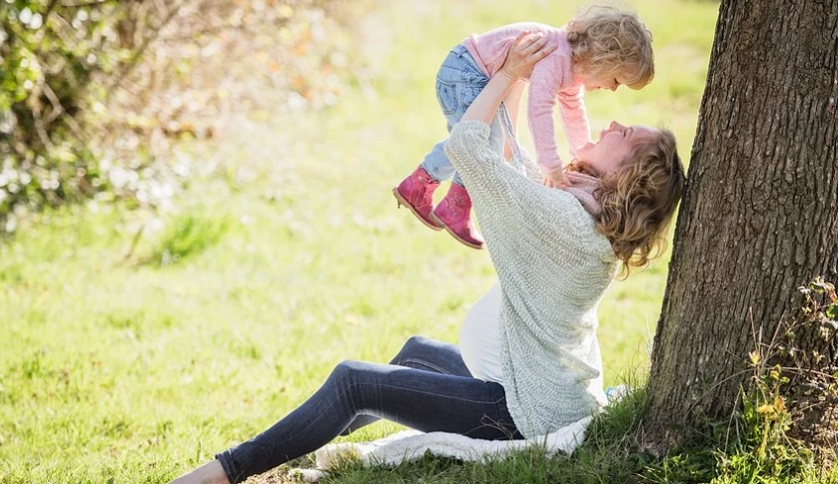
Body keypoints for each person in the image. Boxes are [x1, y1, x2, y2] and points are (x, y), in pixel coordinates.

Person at [170, 32, 684, 484]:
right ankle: (296, 446)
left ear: (628, 176)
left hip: (524, 413)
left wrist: (506, 73)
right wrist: (520, 80)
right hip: (531, 387)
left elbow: (469, 146)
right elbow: (514, 165)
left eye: (627, 136)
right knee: (414, 351)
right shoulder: (578, 211)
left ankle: (223, 473)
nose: (614, 122)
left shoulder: (564, 220)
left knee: (355, 380)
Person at [393, 6, 654, 249]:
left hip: (471, 72)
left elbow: (574, 114)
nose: (611, 88)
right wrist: (550, 165)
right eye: (616, 80)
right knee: (479, 140)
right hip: (465, 72)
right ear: (602, 59)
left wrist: (581, 154)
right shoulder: (557, 56)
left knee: (477, 139)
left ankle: (420, 185)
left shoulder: (572, 70)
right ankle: (453, 205)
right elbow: (539, 110)